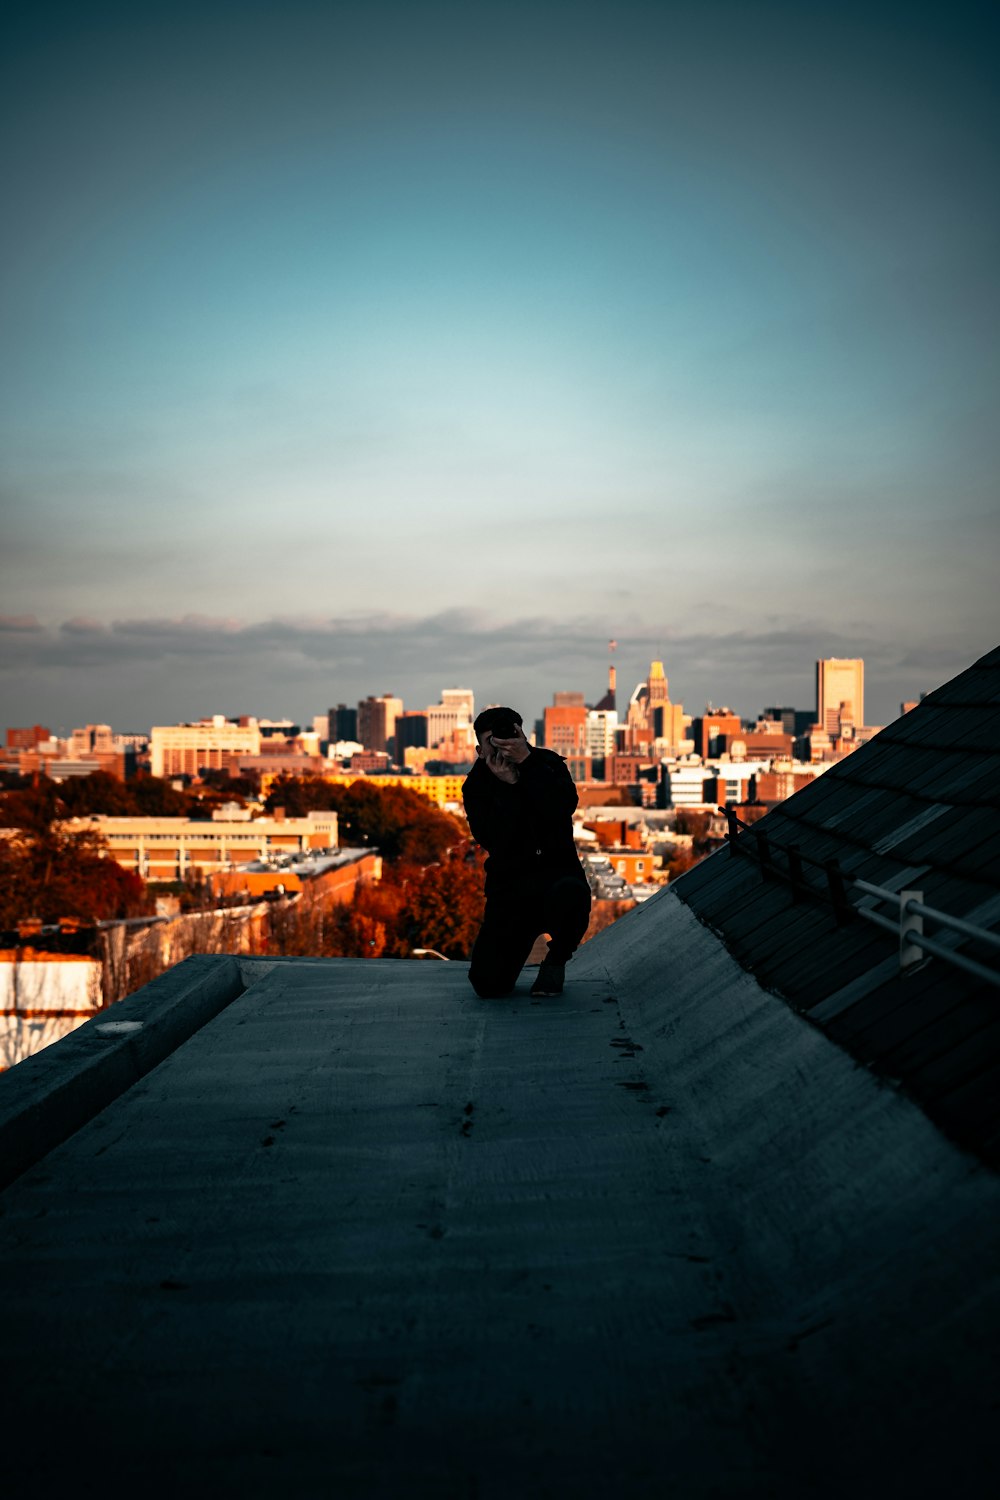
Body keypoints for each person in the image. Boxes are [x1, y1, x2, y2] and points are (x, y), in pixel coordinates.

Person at [463, 706, 592, 998]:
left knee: (574, 894)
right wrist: (508, 786)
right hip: (511, 895)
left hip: (557, 882)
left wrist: (526, 766)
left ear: (522, 735)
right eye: (492, 743)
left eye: (509, 737)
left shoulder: (547, 764)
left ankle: (556, 960)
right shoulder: (477, 785)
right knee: (487, 986)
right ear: (479, 751)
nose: (502, 747)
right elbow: (492, 839)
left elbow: (561, 807)